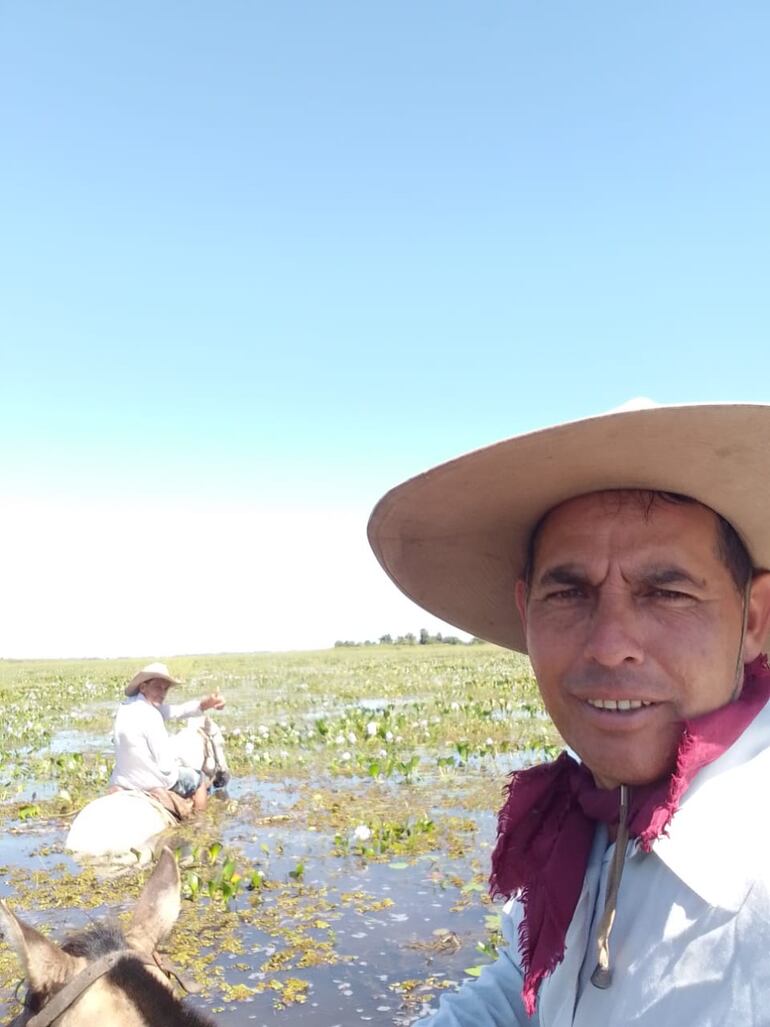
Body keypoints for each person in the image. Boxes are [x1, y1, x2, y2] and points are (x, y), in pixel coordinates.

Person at [367, 400, 770, 1025]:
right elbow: (523, 993)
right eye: (570, 592)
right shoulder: (582, 813)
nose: (610, 645)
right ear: (528, 613)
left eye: (667, 592)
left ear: (753, 620)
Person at [110, 661, 226, 813]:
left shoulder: (125, 708)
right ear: (143, 687)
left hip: (121, 780)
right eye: (158, 687)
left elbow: (178, 711)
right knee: (199, 780)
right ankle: (200, 825)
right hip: (150, 781)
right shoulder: (151, 715)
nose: (163, 693)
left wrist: (207, 703)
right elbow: (165, 765)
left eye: (165, 689)